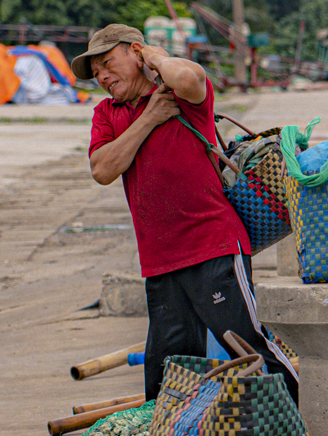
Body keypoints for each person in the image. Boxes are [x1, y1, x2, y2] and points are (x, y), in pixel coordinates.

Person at [82, 23, 298, 403]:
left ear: (135, 52)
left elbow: (186, 74)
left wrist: (152, 55)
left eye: (107, 62)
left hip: (212, 246)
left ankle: (303, 424)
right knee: (169, 370)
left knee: (247, 347)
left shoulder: (180, 95)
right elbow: (102, 169)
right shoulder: (108, 112)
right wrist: (148, 117)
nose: (101, 75)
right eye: (95, 71)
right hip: (159, 261)